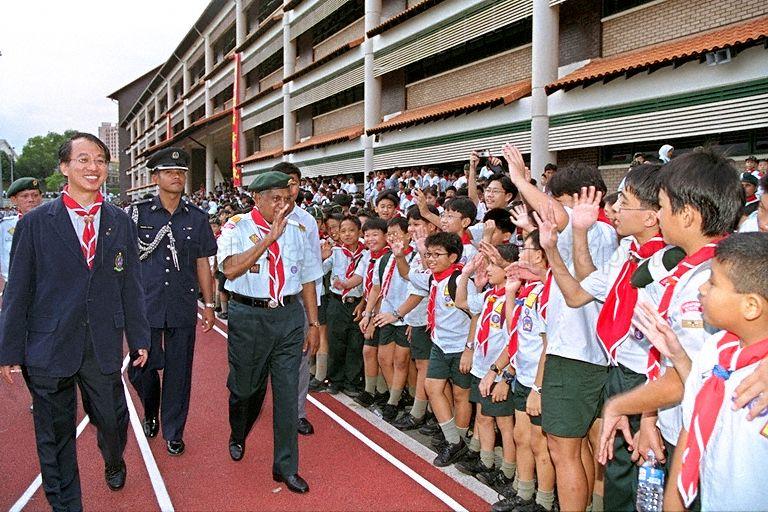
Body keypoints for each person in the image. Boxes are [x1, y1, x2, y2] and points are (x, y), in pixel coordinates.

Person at [0, 132, 150, 510]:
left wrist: (139, 336)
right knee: (54, 436)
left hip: (101, 342)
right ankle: (66, 505)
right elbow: (18, 289)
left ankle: (113, 457)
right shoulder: (35, 224)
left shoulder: (120, 222)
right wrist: (8, 350)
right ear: (64, 167)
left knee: (113, 420)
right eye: (83, 159)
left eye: (100, 160)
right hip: (48, 345)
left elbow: (131, 284)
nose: (93, 167)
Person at [217, 170, 322, 494]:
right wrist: (267, 239)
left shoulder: (298, 229)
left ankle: (285, 467)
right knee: (246, 389)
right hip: (249, 316)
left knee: (288, 394)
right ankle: (238, 431)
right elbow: (230, 269)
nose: (283, 205)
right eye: (276, 199)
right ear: (257, 199)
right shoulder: (237, 227)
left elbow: (307, 277)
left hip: (289, 317)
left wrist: (314, 324)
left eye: (287, 198)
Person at [659, 232, 768, 510]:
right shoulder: (716, 349)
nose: (702, 290)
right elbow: (691, 426)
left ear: (751, 306)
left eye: (713, 283)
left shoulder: (761, 375)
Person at [126, 147, 217, 455]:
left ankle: (173, 430)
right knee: (141, 368)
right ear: (156, 177)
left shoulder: (198, 217)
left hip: (181, 303)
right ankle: (150, 410)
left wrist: (209, 304)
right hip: (145, 304)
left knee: (179, 371)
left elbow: (203, 262)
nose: (176, 177)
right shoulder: (136, 214)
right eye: (169, 172)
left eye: (181, 173)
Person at [276, 161, 324, 437]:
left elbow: (312, 269)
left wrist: (313, 316)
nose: (289, 188)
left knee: (300, 360)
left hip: (298, 302)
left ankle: (297, 413)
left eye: (293, 183)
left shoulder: (307, 221)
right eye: (283, 183)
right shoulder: (256, 219)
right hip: (268, 303)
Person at [0, 177, 43, 291]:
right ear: (14, 200)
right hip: (13, 286)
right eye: (25, 196)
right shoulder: (4, 226)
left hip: (45, 286)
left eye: (35, 195)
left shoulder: (54, 224)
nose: (31, 200)